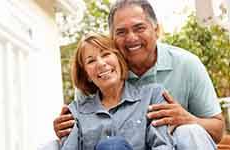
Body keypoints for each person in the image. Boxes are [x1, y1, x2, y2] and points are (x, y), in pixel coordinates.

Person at [54, 0, 224, 147]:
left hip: (172, 145)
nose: (131, 37)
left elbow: (218, 130)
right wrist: (66, 130)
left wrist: (188, 119)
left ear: (156, 30)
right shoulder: (104, 74)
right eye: (121, 32)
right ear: (112, 38)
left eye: (139, 28)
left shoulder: (187, 65)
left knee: (189, 131)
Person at [59, 33, 174, 149]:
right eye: (91, 61)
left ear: (118, 59)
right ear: (87, 75)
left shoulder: (152, 96)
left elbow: (163, 146)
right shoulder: (76, 112)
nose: (101, 63)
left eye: (105, 54)